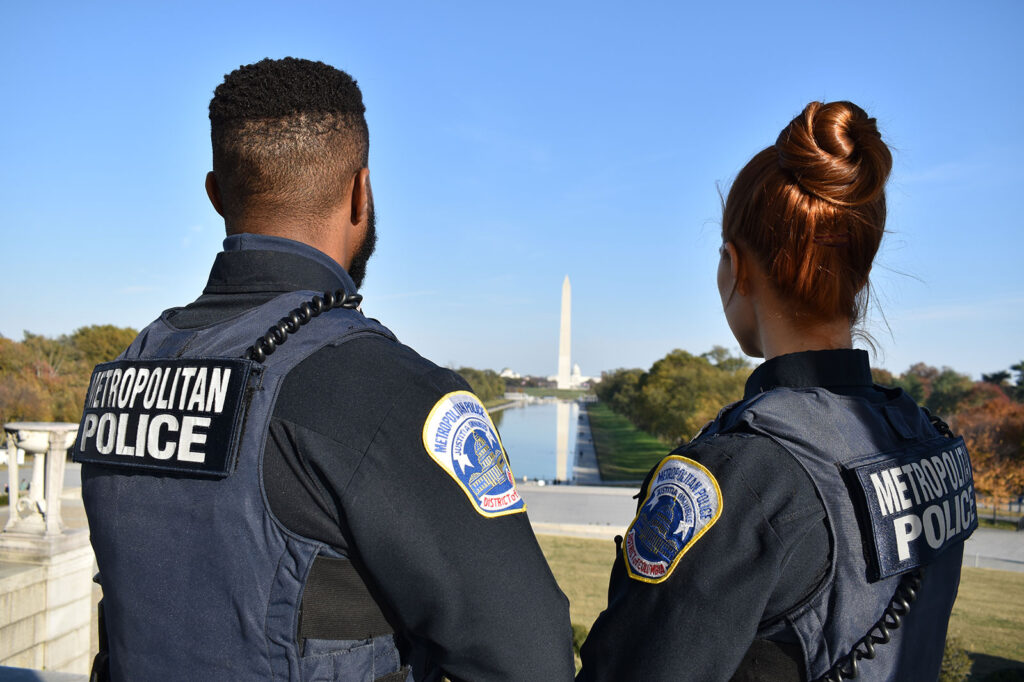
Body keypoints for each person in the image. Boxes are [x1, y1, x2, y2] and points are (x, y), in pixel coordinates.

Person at [73, 57, 573, 681]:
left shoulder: (123, 376)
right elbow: (529, 660)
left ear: (216, 195)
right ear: (362, 192)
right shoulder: (390, 392)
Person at [577, 101, 977, 682]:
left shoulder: (744, 475)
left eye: (721, 252)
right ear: (860, 275)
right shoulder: (935, 443)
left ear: (737, 268)